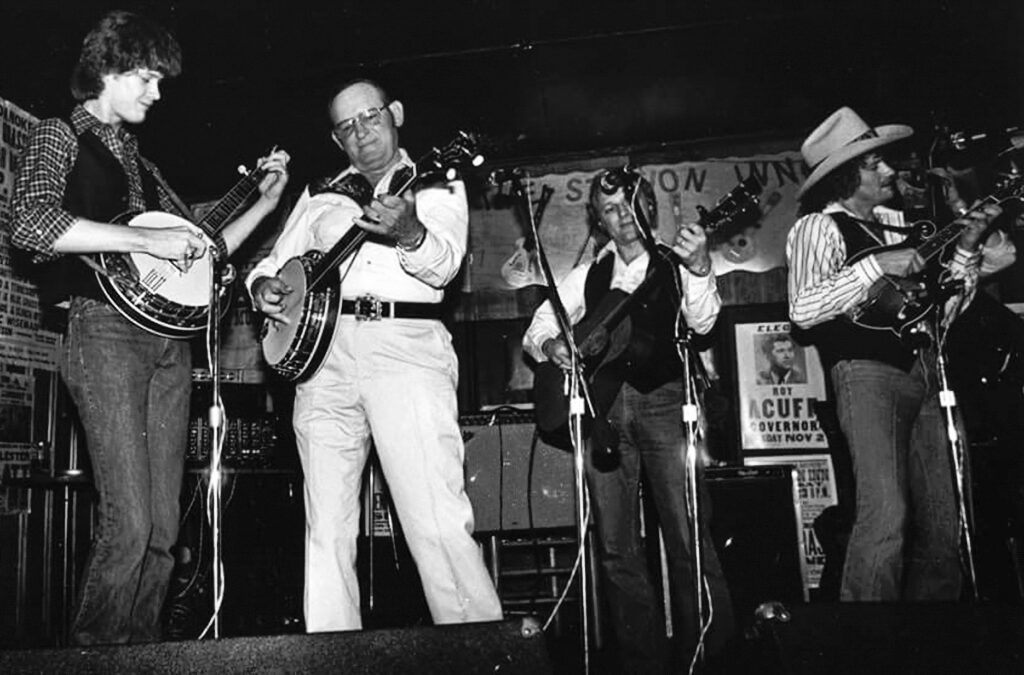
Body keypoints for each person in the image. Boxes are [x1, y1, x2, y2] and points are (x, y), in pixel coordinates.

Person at [9, 11, 290, 646]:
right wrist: (144, 237)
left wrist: (265, 205)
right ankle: (95, 656)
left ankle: (142, 657)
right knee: (130, 523)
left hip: (169, 342)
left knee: (165, 530)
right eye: (145, 78)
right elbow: (29, 224)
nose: (156, 94)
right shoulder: (61, 135)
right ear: (106, 71)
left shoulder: (141, 161)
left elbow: (201, 249)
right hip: (103, 332)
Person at [246, 78, 503, 632]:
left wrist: (409, 233)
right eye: (347, 126)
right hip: (322, 360)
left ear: (397, 114)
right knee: (326, 529)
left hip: (404, 350)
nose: (361, 133)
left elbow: (444, 267)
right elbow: (272, 264)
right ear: (336, 139)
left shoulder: (433, 182)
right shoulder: (319, 195)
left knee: (433, 517)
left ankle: (476, 650)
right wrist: (262, 288)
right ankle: (331, 654)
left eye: (370, 117)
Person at [786, 106, 1002, 602]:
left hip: (928, 370)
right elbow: (803, 309)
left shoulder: (903, 227)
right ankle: (865, 647)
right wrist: (874, 267)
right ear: (845, 178)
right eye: (874, 165)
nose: (889, 172)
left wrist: (967, 248)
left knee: (946, 523)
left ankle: (929, 647)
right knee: (885, 517)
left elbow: (945, 310)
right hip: (866, 376)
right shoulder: (818, 227)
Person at [523, 167, 734, 673]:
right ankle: (643, 663)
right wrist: (552, 345)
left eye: (631, 203)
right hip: (602, 410)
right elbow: (539, 328)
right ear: (600, 220)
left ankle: (709, 655)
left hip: (664, 400)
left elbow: (704, 322)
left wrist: (702, 267)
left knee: (688, 533)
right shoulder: (588, 274)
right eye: (611, 209)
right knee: (616, 545)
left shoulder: (674, 261)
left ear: (650, 207)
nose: (624, 216)